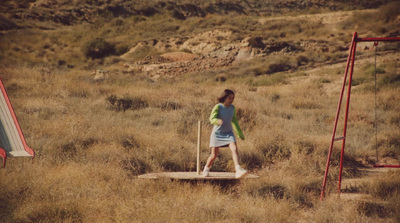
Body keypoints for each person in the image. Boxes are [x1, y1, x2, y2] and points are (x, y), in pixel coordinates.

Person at [203, 89, 248, 179]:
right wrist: (217, 121)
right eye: (229, 98)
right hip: (217, 134)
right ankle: (206, 169)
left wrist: (239, 133)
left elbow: (234, 121)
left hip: (228, 133)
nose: (231, 100)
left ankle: (238, 169)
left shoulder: (232, 108)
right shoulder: (218, 107)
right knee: (214, 155)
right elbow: (212, 118)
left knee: (234, 148)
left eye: (233, 98)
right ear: (224, 97)